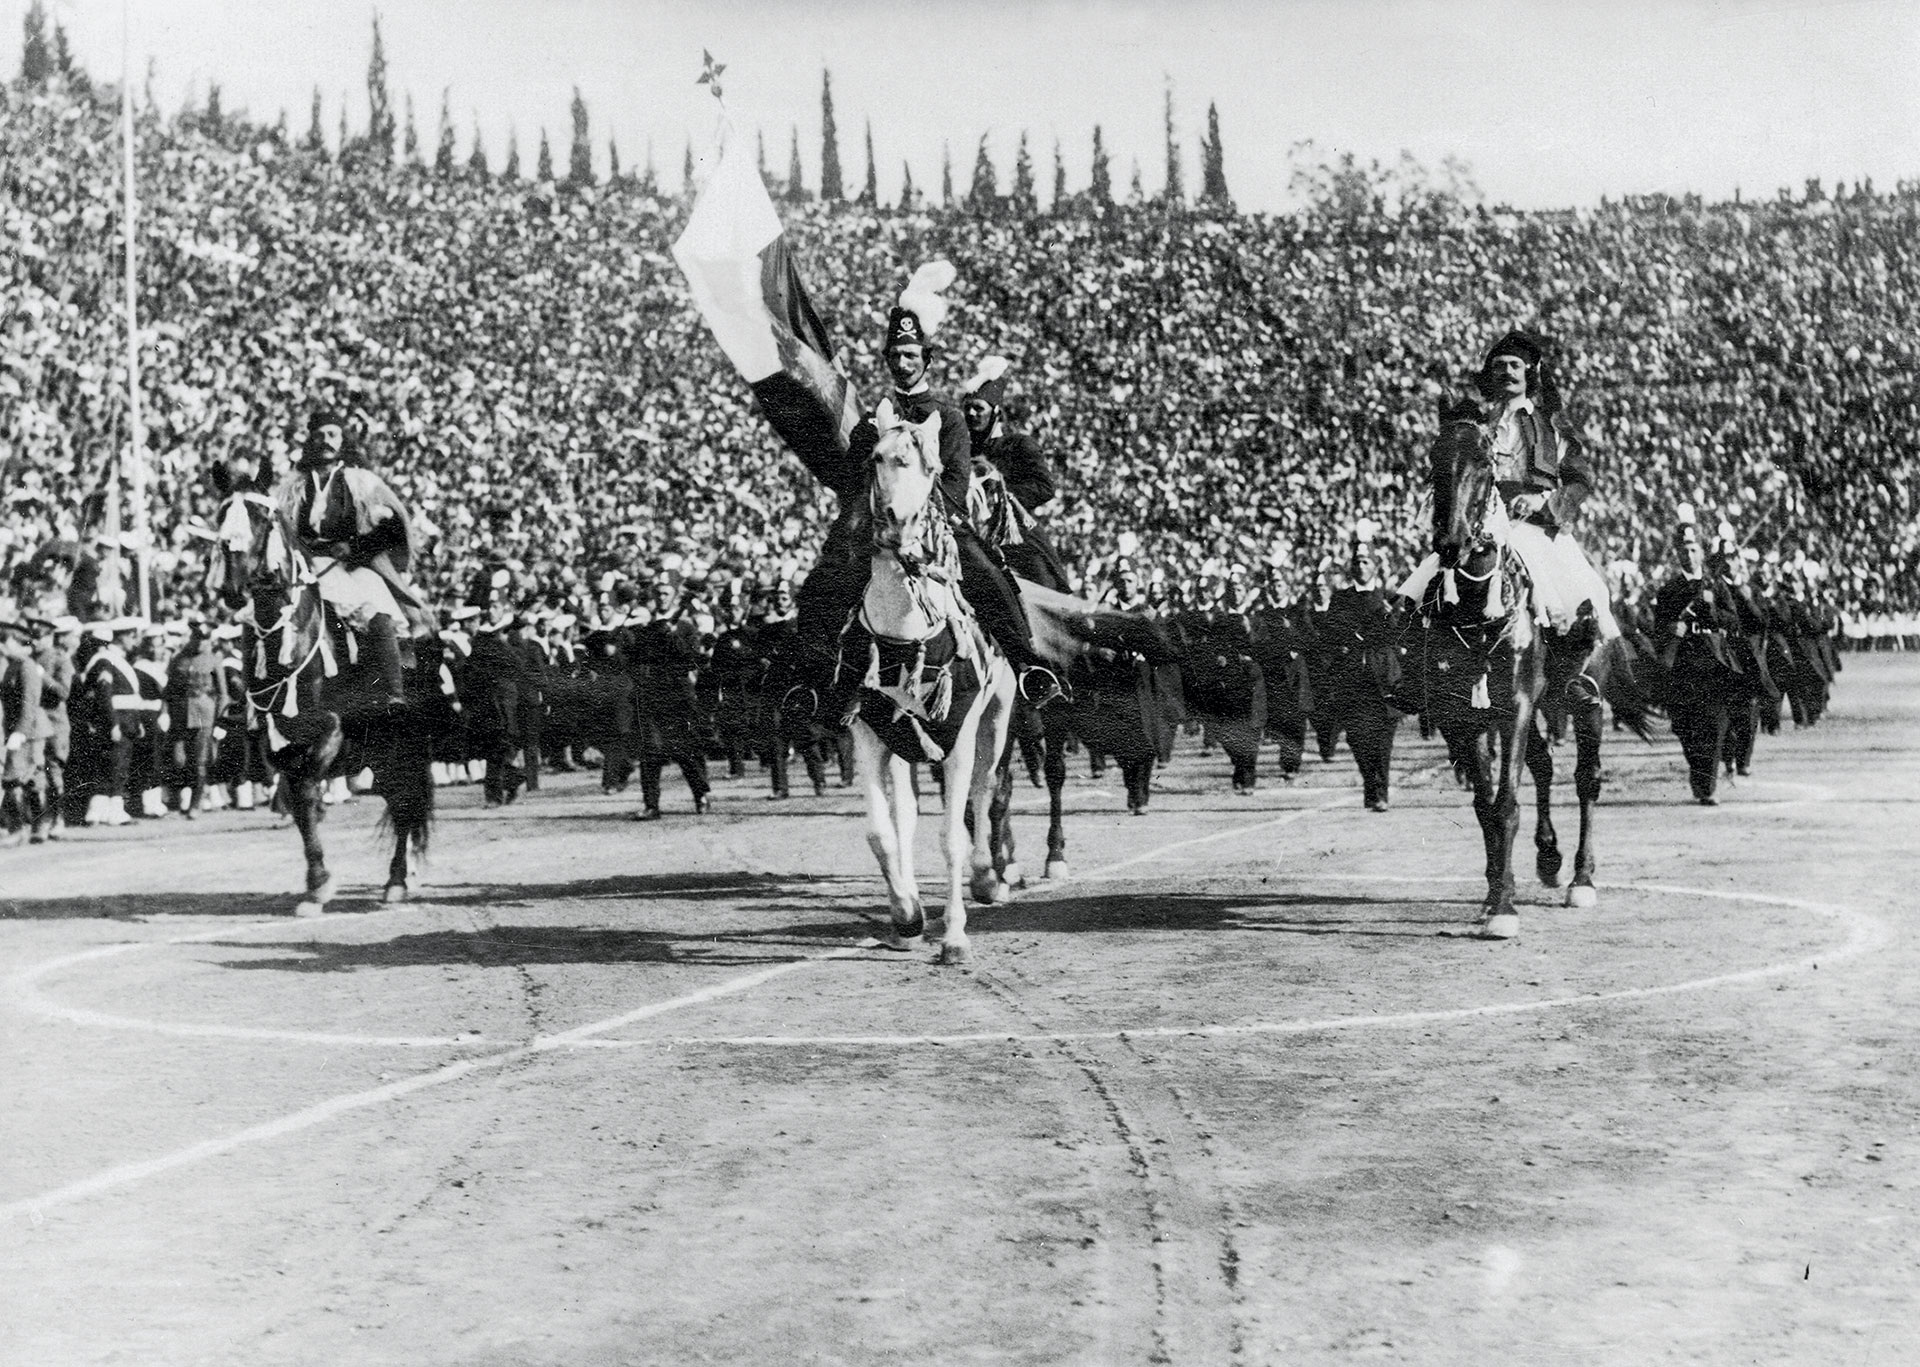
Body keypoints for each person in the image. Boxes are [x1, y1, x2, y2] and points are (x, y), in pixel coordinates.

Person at [1399, 331, 1620, 689]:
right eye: (1498, 366)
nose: (1506, 372)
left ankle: (1575, 680)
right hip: (1483, 524)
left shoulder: (1551, 424)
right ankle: (1417, 678)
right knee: (1419, 590)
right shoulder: (1475, 425)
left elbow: (1579, 480)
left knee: (1583, 594)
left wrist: (1545, 501)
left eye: (1514, 365)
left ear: (1529, 372)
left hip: (1535, 526)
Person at [272, 409, 432, 710]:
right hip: (309, 562)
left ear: (343, 439)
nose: (324, 442)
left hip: (354, 562)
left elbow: (393, 526)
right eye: (318, 436)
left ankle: (394, 692)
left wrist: (354, 545)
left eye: (332, 435)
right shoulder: (294, 487)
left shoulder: (360, 482)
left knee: (378, 615)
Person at [164, 617, 229, 818]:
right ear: (191, 637)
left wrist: (221, 720)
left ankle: (196, 803)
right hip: (181, 712)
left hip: (205, 714)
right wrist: (165, 712)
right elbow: (169, 690)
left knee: (200, 761)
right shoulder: (178, 659)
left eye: (204, 639)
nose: (200, 643)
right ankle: (179, 798)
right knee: (179, 759)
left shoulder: (213, 660)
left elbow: (223, 693)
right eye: (197, 638)